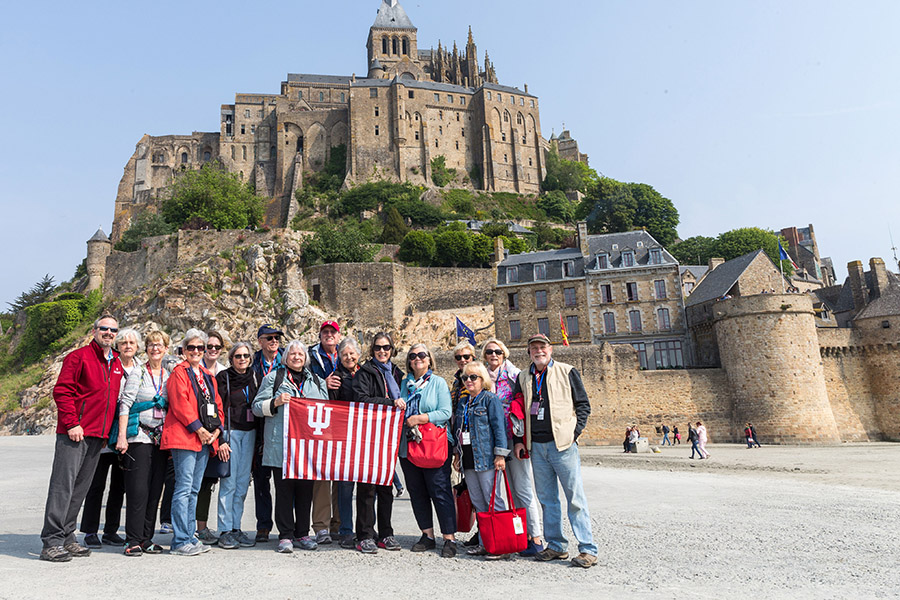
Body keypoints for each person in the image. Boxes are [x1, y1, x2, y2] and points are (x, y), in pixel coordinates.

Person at [40, 315, 126, 562]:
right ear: (94, 330)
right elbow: (62, 391)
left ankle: (67, 536)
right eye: (104, 329)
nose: (108, 333)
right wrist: (72, 423)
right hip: (74, 433)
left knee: (80, 489)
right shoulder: (78, 357)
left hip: (97, 436)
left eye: (113, 330)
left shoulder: (116, 362)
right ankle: (51, 542)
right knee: (62, 486)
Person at [512, 333, 597, 568]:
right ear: (528, 352)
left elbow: (583, 405)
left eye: (543, 347)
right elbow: (519, 410)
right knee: (547, 499)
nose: (538, 351)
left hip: (562, 445)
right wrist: (520, 439)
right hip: (536, 446)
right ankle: (556, 546)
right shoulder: (523, 376)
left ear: (551, 350)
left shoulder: (567, 371)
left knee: (575, 498)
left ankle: (588, 549)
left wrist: (573, 433)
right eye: (534, 348)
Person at [252, 340, 328, 554]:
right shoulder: (273, 378)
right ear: (286, 358)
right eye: (292, 354)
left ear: (305, 359)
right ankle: (285, 535)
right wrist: (275, 402)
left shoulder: (317, 381)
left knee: (305, 492)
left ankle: (302, 533)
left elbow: (326, 410)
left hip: (307, 447)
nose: (296, 357)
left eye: (300, 355)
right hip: (282, 446)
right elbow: (257, 407)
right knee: (284, 492)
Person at [161, 329, 227, 556]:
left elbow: (218, 405)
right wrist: (199, 430)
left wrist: (217, 431)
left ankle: (190, 536)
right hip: (185, 437)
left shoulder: (208, 376)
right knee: (183, 488)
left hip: (206, 439)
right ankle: (180, 540)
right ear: (184, 350)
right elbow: (180, 404)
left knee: (194, 490)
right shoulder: (179, 373)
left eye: (201, 348)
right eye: (192, 348)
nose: (197, 351)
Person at [481, 338, 543, 556]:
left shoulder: (516, 375)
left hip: (514, 438)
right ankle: (520, 536)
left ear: (504, 353)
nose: (493, 355)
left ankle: (535, 538)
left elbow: (526, 406)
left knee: (523, 488)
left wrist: (521, 440)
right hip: (492, 440)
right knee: (507, 492)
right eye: (489, 352)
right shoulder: (482, 378)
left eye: (497, 351)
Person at [80, 328, 138, 549]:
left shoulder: (139, 369)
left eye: (131, 342)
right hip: (104, 432)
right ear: (118, 346)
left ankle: (111, 530)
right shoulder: (110, 364)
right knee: (96, 484)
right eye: (123, 342)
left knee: (119, 486)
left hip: (126, 434)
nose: (127, 346)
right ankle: (90, 531)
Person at [397, 343, 457, 558]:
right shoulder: (404, 384)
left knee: (440, 490)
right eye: (412, 356)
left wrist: (419, 418)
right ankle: (427, 535)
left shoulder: (438, 382)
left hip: (434, 443)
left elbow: (445, 412)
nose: (417, 358)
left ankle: (449, 538)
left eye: (422, 354)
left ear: (430, 359)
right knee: (417, 491)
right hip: (409, 445)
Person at [115, 329, 171, 556]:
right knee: (138, 489)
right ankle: (133, 540)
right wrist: (121, 436)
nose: (155, 349)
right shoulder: (138, 373)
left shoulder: (169, 375)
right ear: (146, 349)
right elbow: (125, 404)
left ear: (166, 349)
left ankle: (147, 538)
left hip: (161, 438)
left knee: (155, 489)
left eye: (159, 345)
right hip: (139, 435)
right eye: (151, 345)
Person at [350, 333, 405, 554]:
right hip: (369, 437)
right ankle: (364, 534)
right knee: (366, 488)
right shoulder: (365, 373)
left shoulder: (397, 373)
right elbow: (361, 399)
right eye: (378, 348)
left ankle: (386, 533)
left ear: (392, 349)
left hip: (389, 437)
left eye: (386, 348)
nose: (382, 351)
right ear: (372, 350)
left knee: (385, 488)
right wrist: (390, 403)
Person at [453, 361, 509, 559]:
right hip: (469, 459)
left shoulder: (490, 400)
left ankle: (501, 545)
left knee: (493, 501)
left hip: (485, 458)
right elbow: (459, 430)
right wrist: (458, 454)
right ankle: (486, 543)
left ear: (482, 379)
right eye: (465, 378)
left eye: (473, 377)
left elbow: (499, 428)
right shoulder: (463, 402)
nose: (468, 381)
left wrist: (500, 455)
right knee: (478, 503)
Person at [215, 342, 260, 549]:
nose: (242, 359)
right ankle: (224, 530)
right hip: (230, 432)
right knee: (229, 483)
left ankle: (236, 527)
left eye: (246, 356)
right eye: (238, 356)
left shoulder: (254, 376)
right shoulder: (223, 378)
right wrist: (221, 439)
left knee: (242, 483)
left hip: (250, 432)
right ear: (231, 359)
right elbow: (216, 408)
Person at [307, 320, 343, 545]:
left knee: (341, 475)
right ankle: (321, 526)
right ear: (320, 336)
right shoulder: (311, 358)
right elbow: (304, 381)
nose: (329, 335)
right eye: (325, 332)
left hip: (342, 421)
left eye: (333, 332)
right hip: (321, 420)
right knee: (321, 475)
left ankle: (338, 524)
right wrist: (323, 383)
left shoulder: (346, 354)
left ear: (338, 336)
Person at [251, 324, 283, 543]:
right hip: (258, 427)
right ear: (260, 341)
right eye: (269, 338)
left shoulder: (288, 360)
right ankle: (263, 525)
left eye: (277, 338)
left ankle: (285, 526)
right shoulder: (251, 364)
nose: (274, 342)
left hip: (283, 428)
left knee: (283, 482)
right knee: (261, 480)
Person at [194, 330, 228, 546]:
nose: (213, 350)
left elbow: (224, 407)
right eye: (209, 346)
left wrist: (219, 436)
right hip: (197, 431)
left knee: (210, 481)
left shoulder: (224, 373)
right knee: (197, 482)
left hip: (216, 432)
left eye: (217, 347)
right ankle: (196, 527)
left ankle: (207, 527)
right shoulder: (194, 370)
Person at [450, 340, 475, 418]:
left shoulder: (480, 378)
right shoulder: (456, 382)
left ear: (473, 358)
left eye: (466, 357)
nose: (462, 360)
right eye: (458, 357)